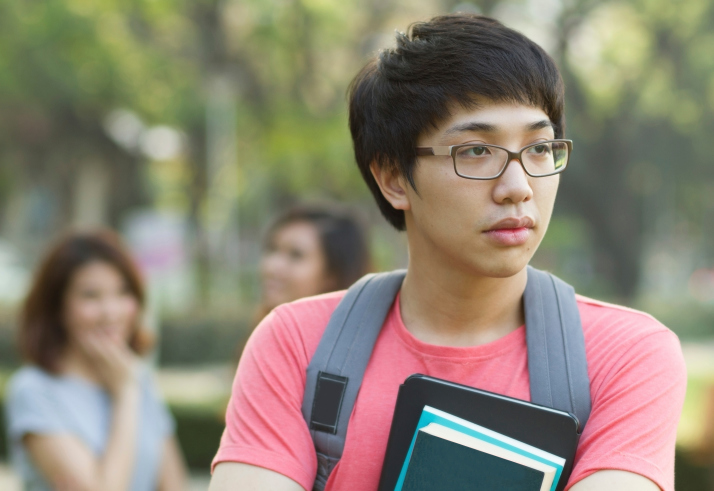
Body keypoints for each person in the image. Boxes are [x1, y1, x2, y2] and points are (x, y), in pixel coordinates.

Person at [209, 14, 687, 491]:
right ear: (394, 178)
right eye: (477, 151)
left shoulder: (625, 356)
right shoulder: (297, 344)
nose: (518, 188)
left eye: (539, 148)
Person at [4, 230, 187, 491]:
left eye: (123, 292)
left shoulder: (138, 378)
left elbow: (174, 485)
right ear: (58, 308)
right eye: (91, 296)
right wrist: (125, 392)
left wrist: (131, 385)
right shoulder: (35, 391)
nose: (111, 312)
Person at [256, 204, 371, 322]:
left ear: (332, 275)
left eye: (296, 255)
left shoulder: (342, 338)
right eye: (272, 249)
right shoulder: (265, 329)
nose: (271, 266)